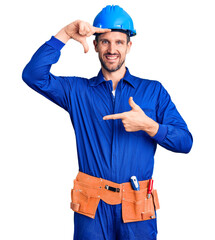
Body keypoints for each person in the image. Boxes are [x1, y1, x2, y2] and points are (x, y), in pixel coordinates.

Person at [22, 5, 193, 240]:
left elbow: (185, 142)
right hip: (92, 208)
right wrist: (65, 33)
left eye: (119, 42)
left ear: (129, 46)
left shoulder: (153, 91)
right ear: (95, 45)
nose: (112, 49)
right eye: (105, 42)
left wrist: (149, 126)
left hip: (137, 210)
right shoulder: (77, 91)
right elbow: (33, 75)